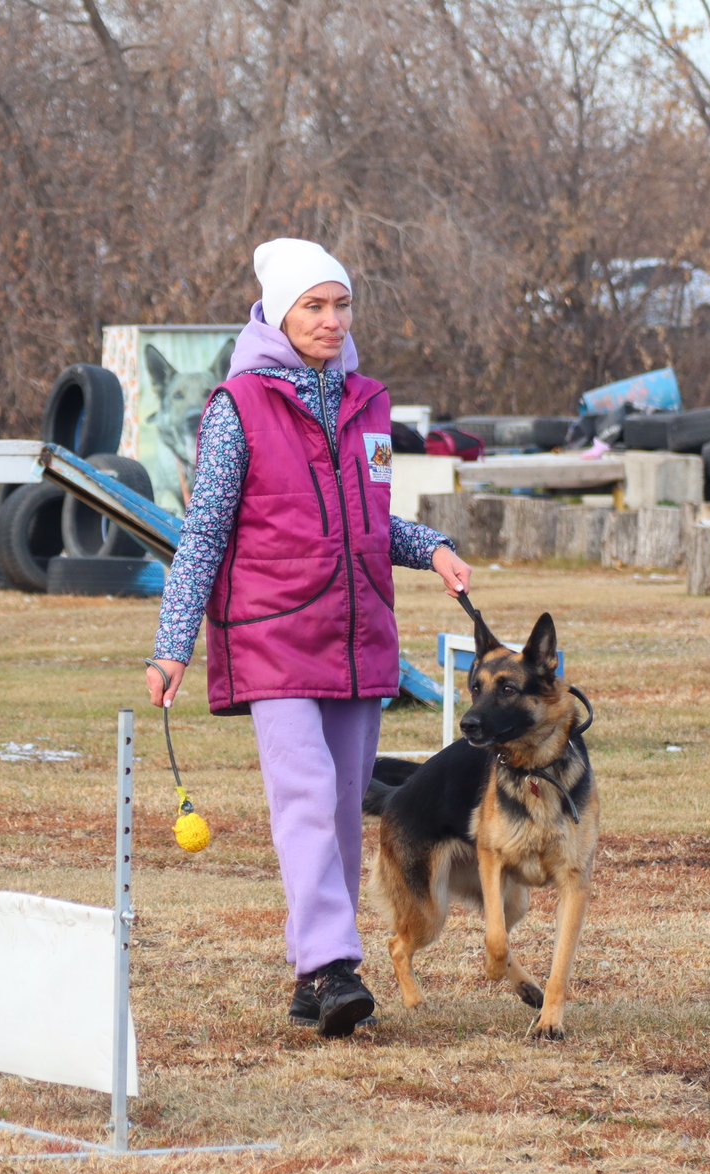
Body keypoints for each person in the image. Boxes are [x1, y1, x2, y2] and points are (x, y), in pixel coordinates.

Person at [143, 238, 473, 1037]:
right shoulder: (238, 406)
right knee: (304, 801)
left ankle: (308, 969)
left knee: (342, 809)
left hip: (359, 638)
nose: (330, 320)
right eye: (313, 306)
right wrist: (172, 643)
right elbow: (204, 533)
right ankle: (332, 966)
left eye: (340, 304)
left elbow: (368, 514)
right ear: (278, 313)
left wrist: (428, 545)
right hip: (273, 637)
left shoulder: (370, 404)